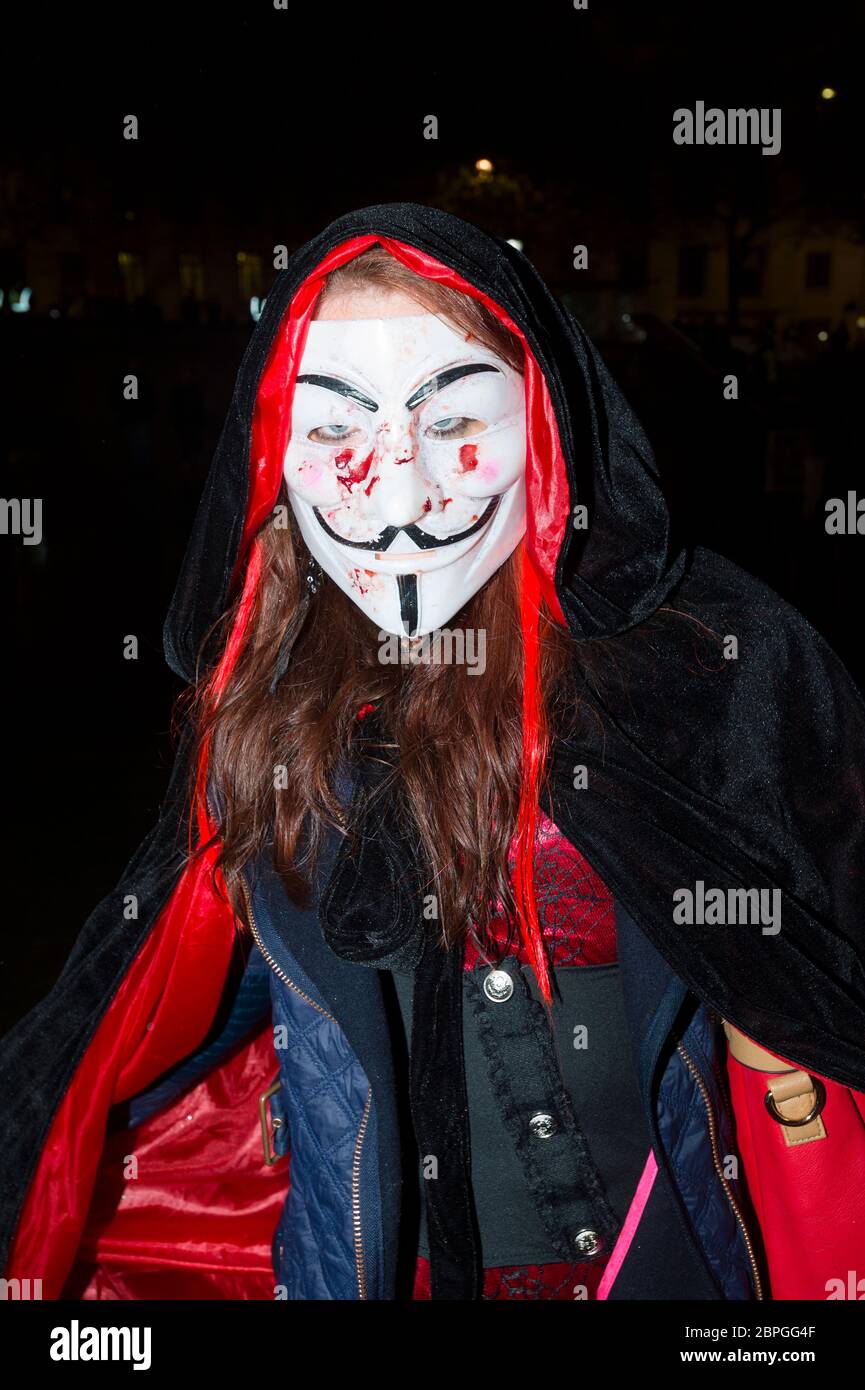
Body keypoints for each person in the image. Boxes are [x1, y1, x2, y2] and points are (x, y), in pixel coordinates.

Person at [3, 204, 865, 1302]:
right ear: (273, 451)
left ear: (545, 415)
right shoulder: (262, 711)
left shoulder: (700, 674)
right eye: (333, 433)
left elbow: (813, 964)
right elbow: (168, 1019)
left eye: (456, 416)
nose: (401, 497)